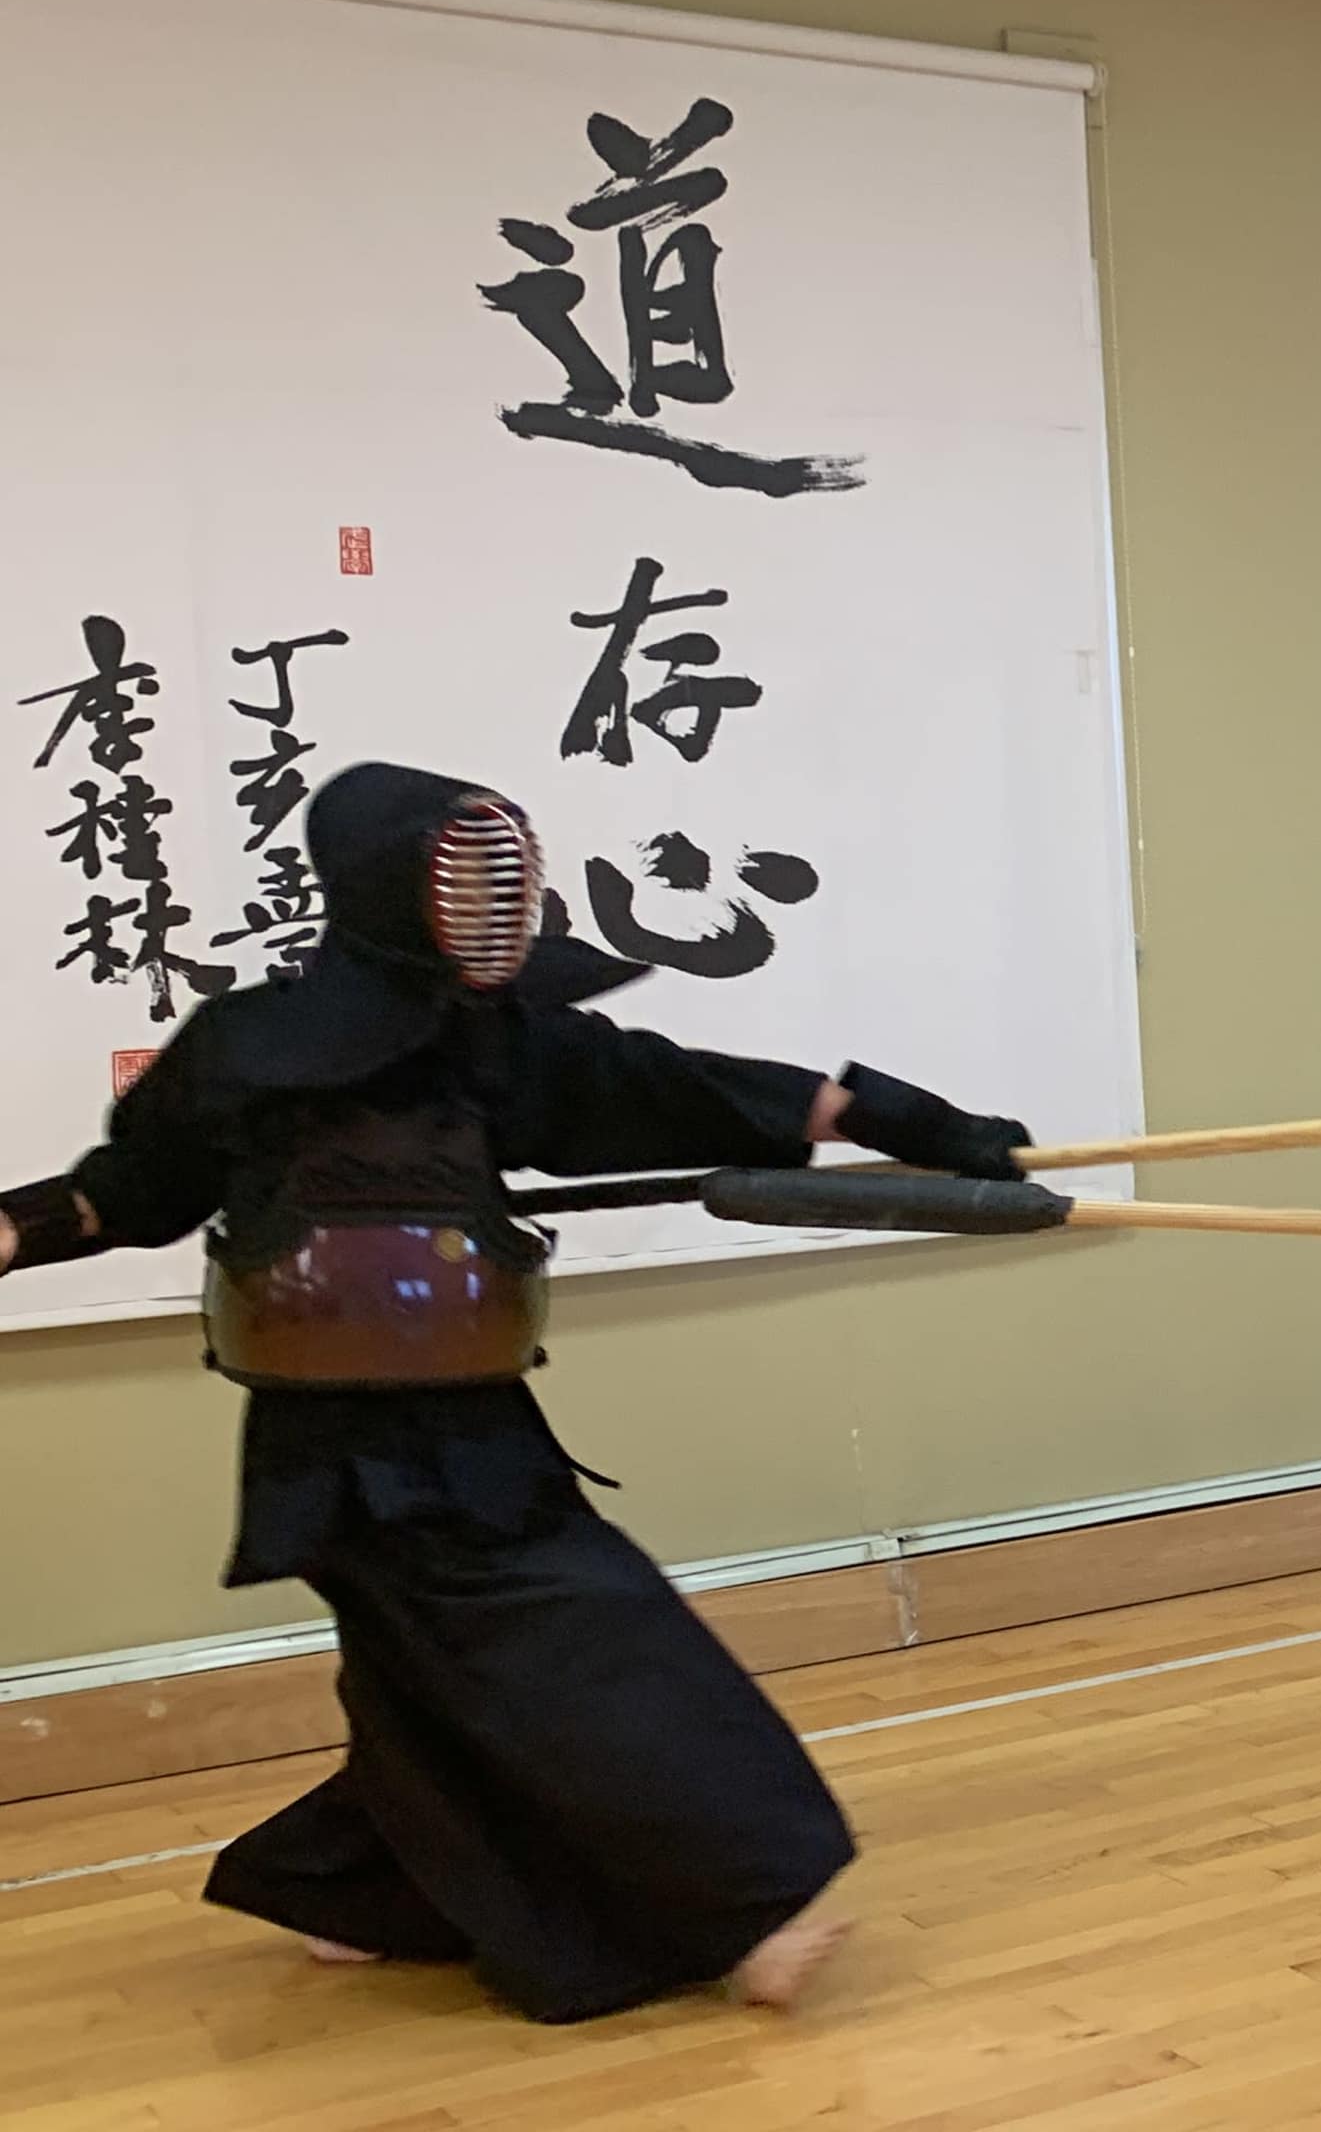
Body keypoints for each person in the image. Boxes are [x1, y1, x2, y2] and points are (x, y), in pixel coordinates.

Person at [0, 763, 1032, 2023]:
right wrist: (17, 1229)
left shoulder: (497, 1044)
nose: (497, 902)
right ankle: (743, 1909)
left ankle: (356, 1890)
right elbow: (130, 1190)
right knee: (591, 1642)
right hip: (327, 1440)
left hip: (474, 1422)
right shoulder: (247, 1049)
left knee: (431, 1675)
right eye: (461, 874)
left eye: (506, 874)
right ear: (388, 888)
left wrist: (914, 1124)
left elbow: (688, 1088)